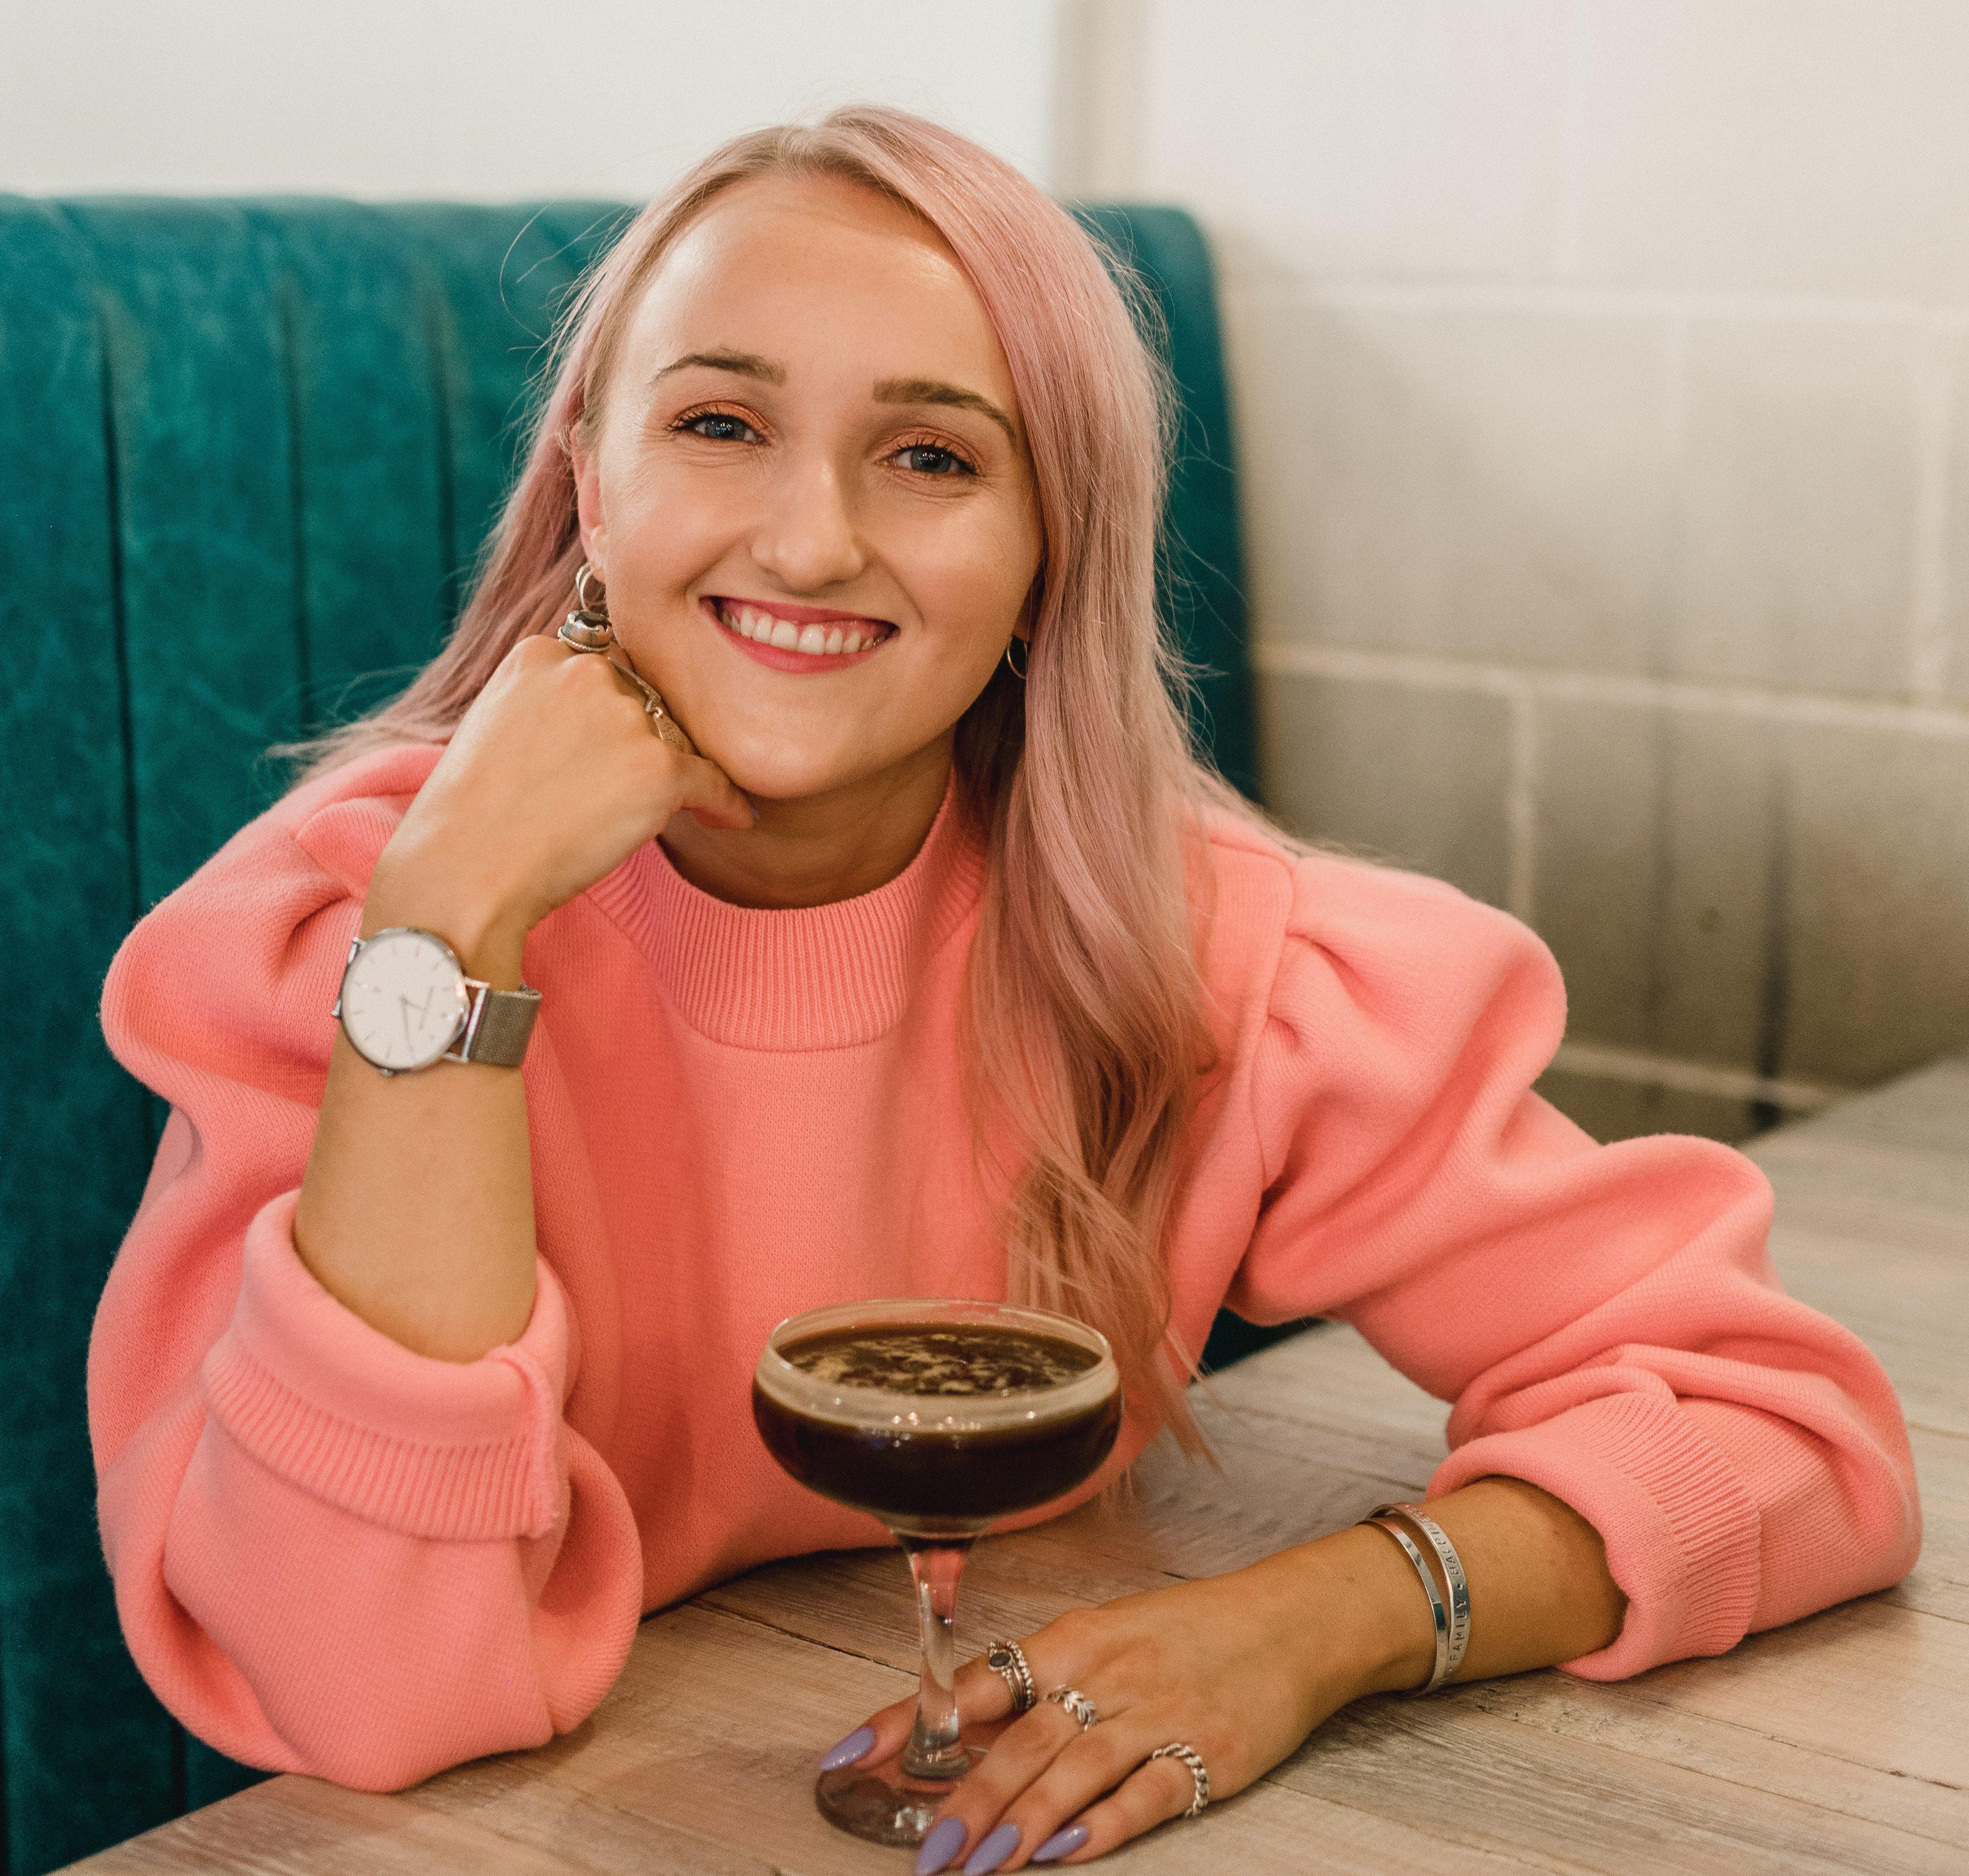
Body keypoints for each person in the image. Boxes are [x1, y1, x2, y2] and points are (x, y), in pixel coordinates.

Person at [91, 106, 1919, 1873]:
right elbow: (358, 1690)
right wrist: (452, 931)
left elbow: (1780, 1439)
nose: (808, 545)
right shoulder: (354, 934)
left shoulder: (1216, 957)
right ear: (589, 475)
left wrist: (1305, 1629)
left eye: (934, 457)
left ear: (1053, 550)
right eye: (720, 423)